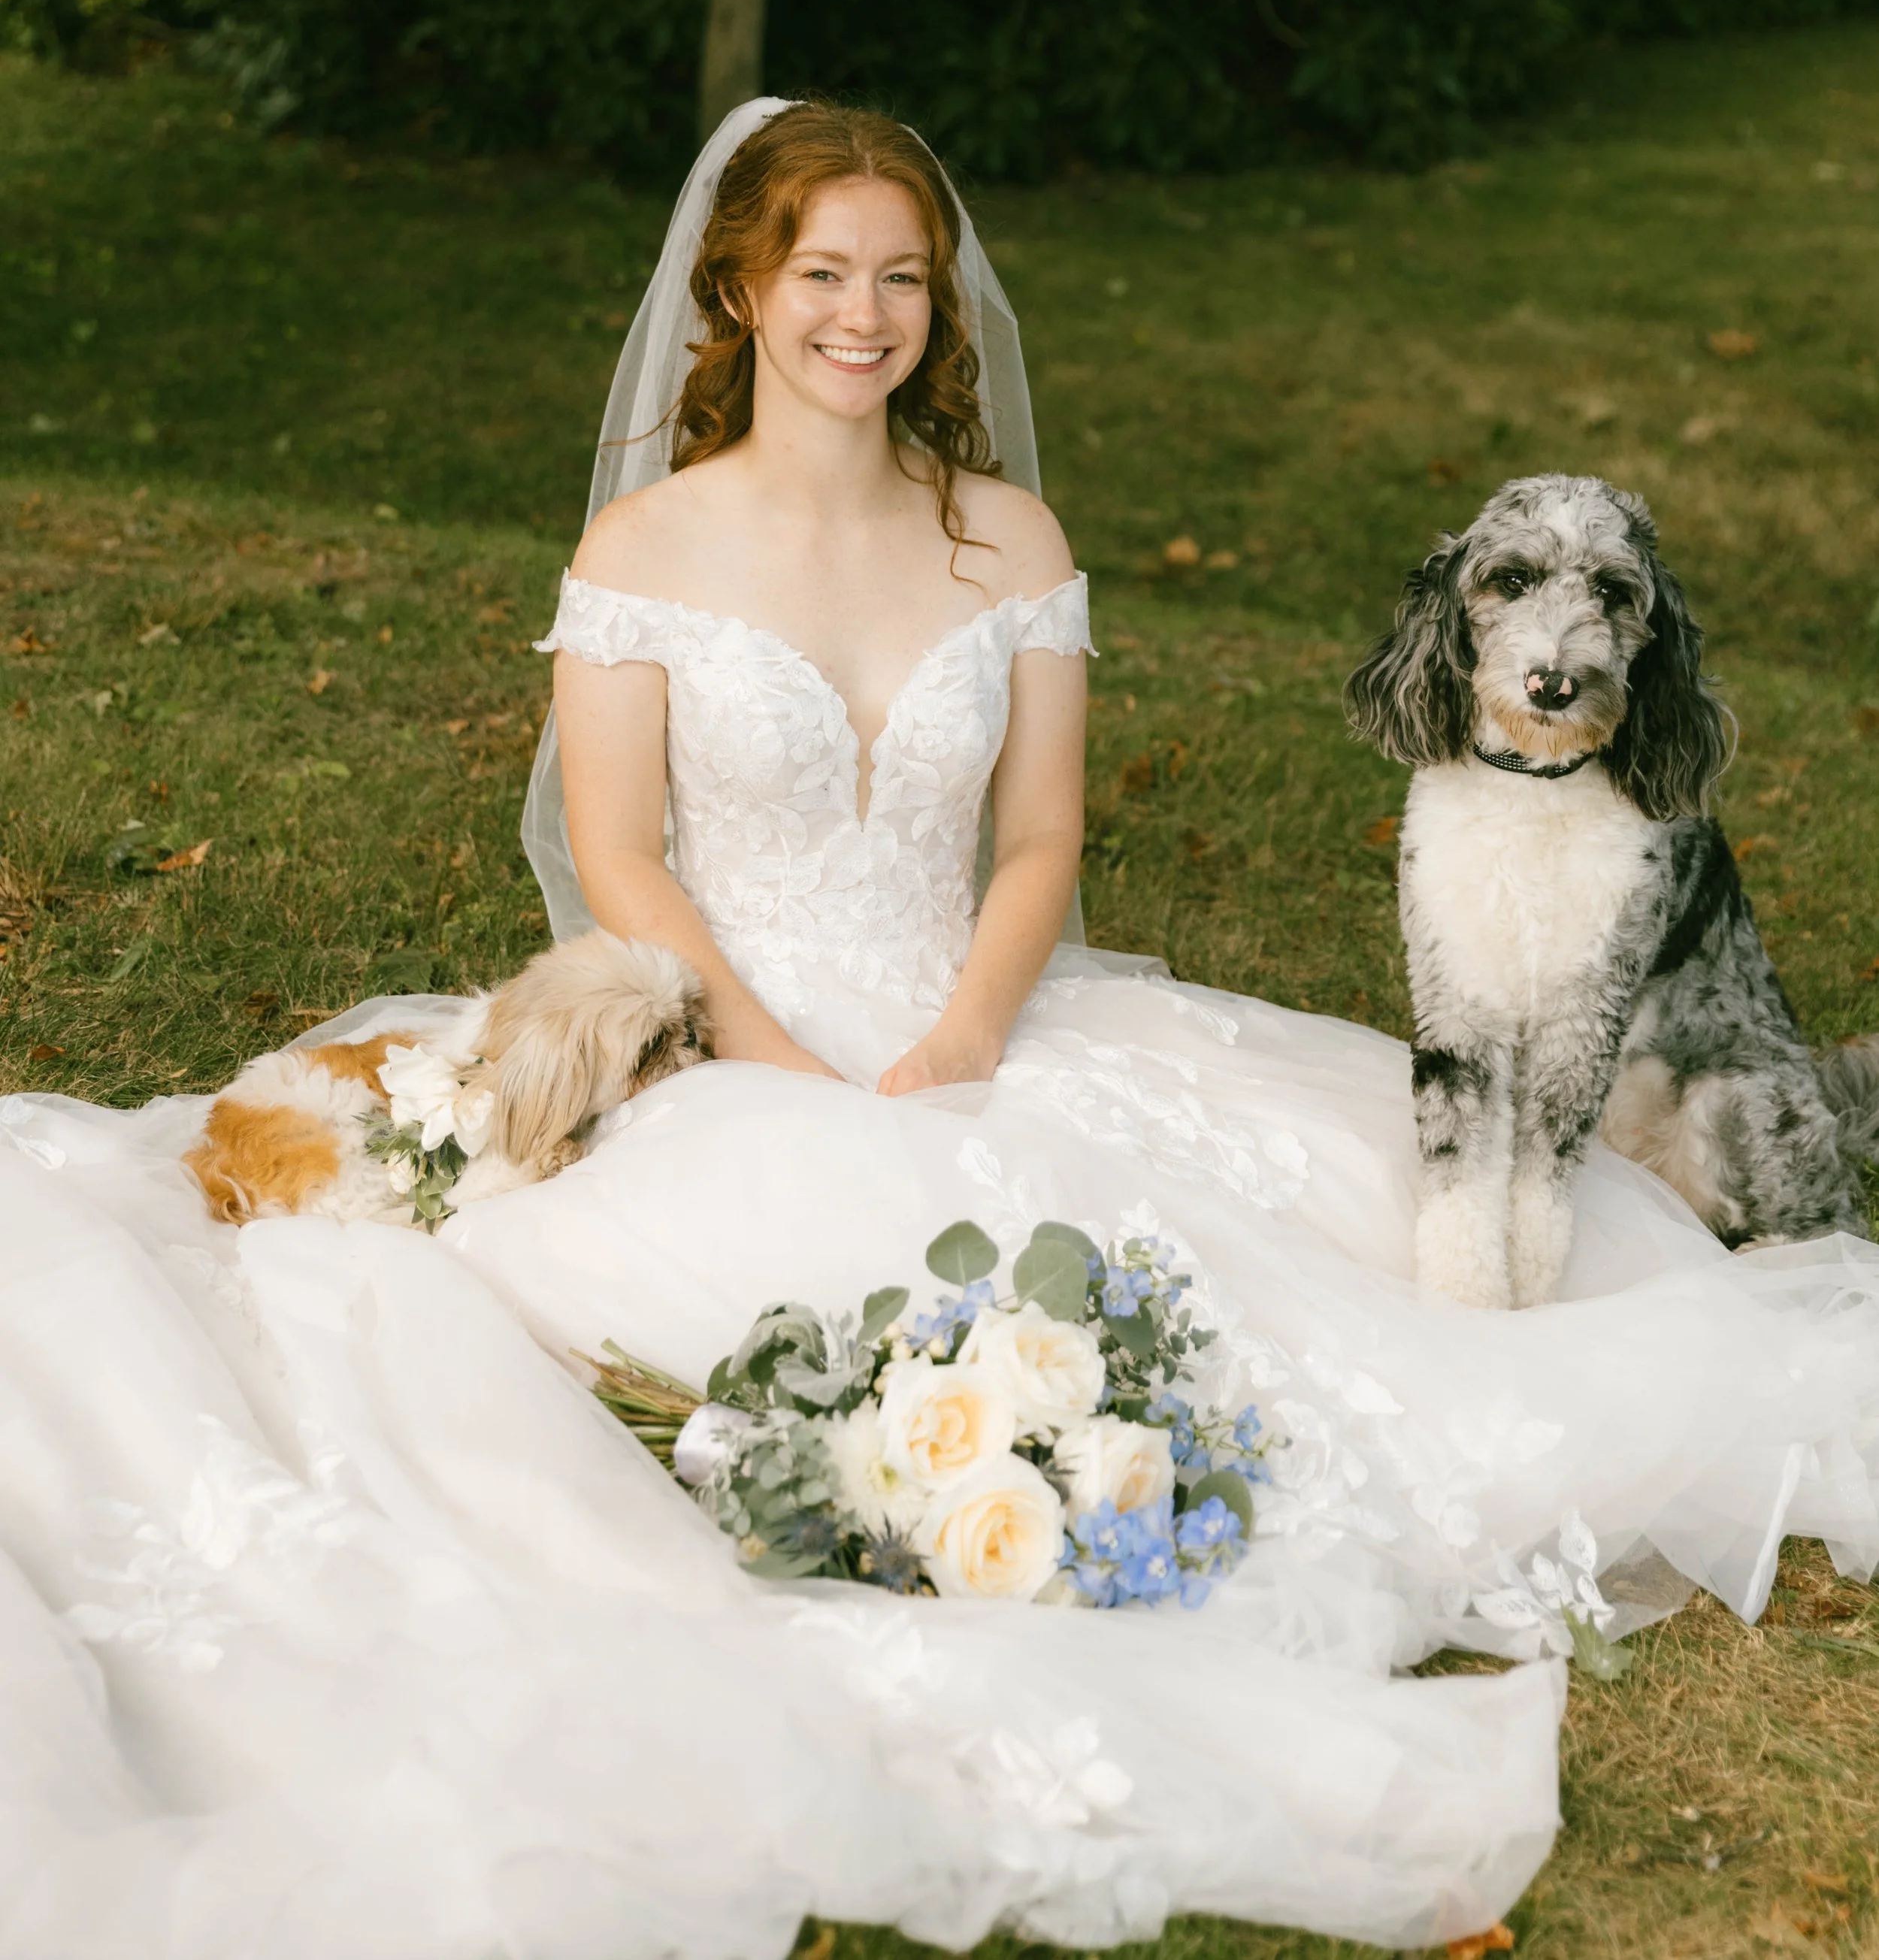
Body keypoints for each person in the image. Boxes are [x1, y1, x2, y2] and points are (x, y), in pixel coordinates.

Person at [3, 98, 1877, 1960]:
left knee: (1298, 1275)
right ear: (738, 291)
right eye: (820, 272)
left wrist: (977, 1022)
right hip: (723, 1040)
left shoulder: (1004, 537)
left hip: (983, 1017)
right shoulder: (646, 547)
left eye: (899, 277)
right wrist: (758, 1044)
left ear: (936, 303)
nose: (862, 312)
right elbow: (616, 852)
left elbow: (1040, 835)